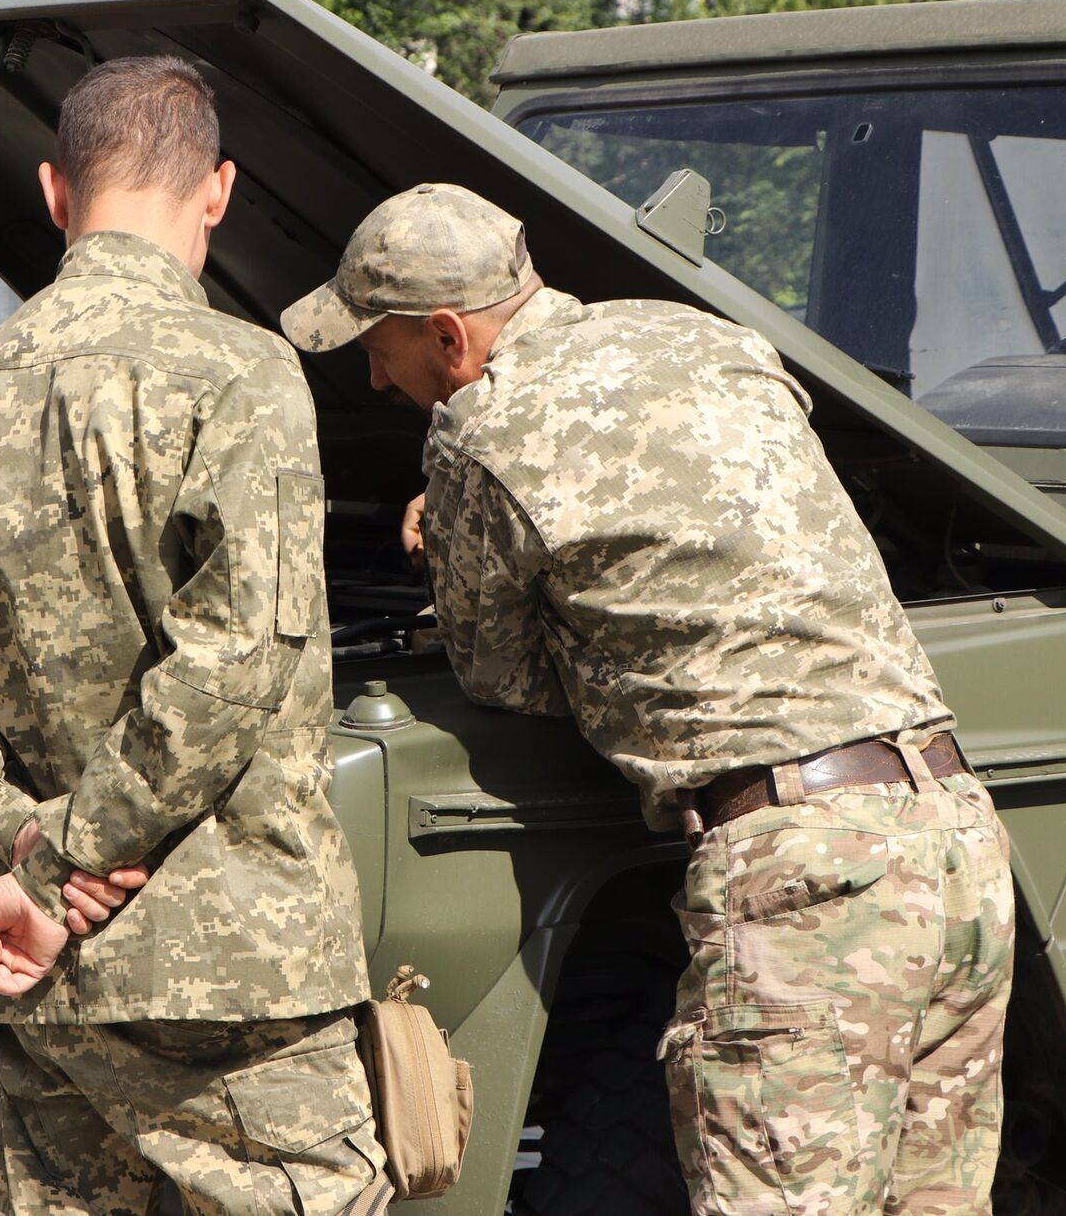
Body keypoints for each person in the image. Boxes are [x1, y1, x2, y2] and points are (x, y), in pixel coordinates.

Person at [281, 183, 1016, 1215]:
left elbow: (502, 680)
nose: (368, 374)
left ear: (448, 335)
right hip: (954, 840)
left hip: (800, 874)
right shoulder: (706, 336)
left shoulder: (481, 433)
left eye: (376, 346)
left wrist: (441, 536)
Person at [0, 56, 387, 1215]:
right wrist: (70, 857)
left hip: (29, 970)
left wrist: (20, 846)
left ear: (49, 191)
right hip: (225, 964)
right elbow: (235, 660)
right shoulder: (241, 371)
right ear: (220, 190)